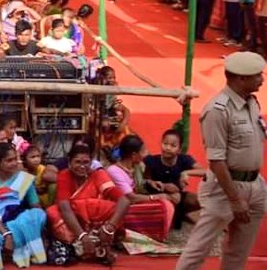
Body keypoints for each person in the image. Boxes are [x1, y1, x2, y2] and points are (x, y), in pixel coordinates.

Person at [175, 51, 266, 270]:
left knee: (238, 252)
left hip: (254, 184)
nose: (262, 79)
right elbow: (216, 160)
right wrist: (235, 199)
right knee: (198, 250)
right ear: (240, 78)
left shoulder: (252, 103)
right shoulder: (217, 110)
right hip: (225, 189)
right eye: (257, 75)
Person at [45, 143, 128, 265]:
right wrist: (82, 235)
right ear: (69, 162)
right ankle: (91, 247)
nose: (82, 166)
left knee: (115, 208)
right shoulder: (65, 175)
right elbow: (64, 208)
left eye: (86, 162)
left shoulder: (98, 174)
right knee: (53, 212)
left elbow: (124, 201)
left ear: (91, 163)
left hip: (98, 225)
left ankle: (99, 245)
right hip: (74, 225)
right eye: (77, 162)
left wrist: (110, 227)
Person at [0, 142, 47, 270]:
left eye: (16, 159)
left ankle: (16, 243)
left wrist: (41, 230)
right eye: (9, 160)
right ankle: (14, 247)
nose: (14, 163)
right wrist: (6, 233)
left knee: (39, 215)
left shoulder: (23, 177)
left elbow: (35, 205)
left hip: (20, 223)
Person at [106, 134, 174, 242]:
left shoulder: (137, 166)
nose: (146, 154)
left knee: (167, 201)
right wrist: (155, 197)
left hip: (134, 202)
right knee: (164, 205)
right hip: (121, 208)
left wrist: (150, 182)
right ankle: (149, 234)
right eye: (143, 151)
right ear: (134, 155)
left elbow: (138, 183)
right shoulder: (114, 171)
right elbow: (130, 197)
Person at [143, 128, 202, 229]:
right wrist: (154, 183)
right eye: (165, 144)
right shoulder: (151, 161)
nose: (168, 148)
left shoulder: (184, 160)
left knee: (200, 200)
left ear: (179, 149)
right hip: (158, 198)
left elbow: (205, 171)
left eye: (173, 146)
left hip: (178, 197)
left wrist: (186, 172)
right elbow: (142, 180)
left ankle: (180, 213)